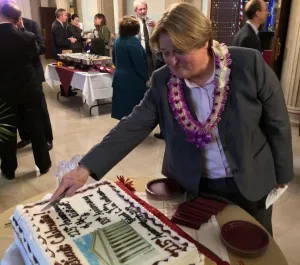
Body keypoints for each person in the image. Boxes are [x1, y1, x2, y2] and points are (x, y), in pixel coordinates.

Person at [51, 3, 293, 236]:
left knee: (254, 247)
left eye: (179, 51)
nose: (172, 61)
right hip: (195, 185)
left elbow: (277, 123)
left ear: (205, 42)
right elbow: (132, 126)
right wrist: (85, 167)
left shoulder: (248, 64)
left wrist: (282, 177)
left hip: (251, 179)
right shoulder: (162, 80)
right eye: (165, 53)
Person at [0, 2, 51, 179]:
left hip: (4, 91)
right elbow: (35, 53)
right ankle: (43, 164)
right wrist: (22, 31)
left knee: (7, 131)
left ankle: (8, 168)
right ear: (17, 19)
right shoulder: (27, 36)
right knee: (36, 126)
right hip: (28, 87)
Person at [16, 17, 53, 151]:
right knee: (19, 108)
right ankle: (26, 136)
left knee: (40, 107)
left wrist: (22, 31)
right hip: (14, 75)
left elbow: (41, 48)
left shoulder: (30, 24)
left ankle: (47, 138)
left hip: (33, 73)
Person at [111, 16, 148, 120]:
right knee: (133, 111)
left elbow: (114, 59)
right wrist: (146, 78)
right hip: (133, 82)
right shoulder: (133, 41)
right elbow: (139, 64)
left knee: (122, 110)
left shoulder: (118, 40)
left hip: (119, 79)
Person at [51, 8, 77, 97]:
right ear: (61, 16)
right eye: (65, 15)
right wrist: (70, 41)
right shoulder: (57, 26)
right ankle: (66, 92)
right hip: (60, 53)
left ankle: (66, 90)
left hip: (62, 52)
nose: (67, 16)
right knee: (64, 73)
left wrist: (68, 39)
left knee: (65, 72)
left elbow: (61, 39)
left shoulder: (60, 24)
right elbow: (59, 42)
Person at [133, 0, 155, 77]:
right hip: (139, 54)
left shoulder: (151, 22)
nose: (143, 11)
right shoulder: (133, 23)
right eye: (140, 9)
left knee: (151, 77)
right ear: (135, 11)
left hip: (151, 55)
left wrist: (156, 27)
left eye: (144, 8)